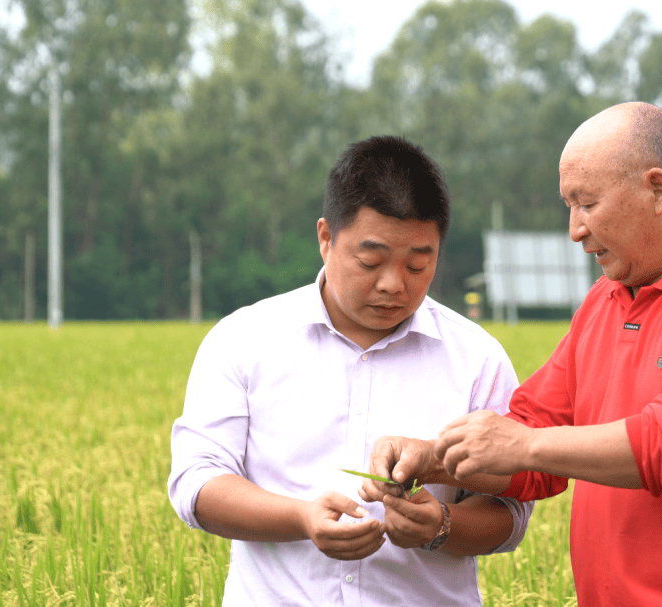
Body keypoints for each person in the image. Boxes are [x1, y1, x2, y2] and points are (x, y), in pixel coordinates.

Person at [362, 103, 662, 606]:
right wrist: (433, 460)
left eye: (586, 203)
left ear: (656, 190)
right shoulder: (605, 301)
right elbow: (535, 438)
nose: (574, 229)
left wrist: (523, 445)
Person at [168, 135, 532, 606]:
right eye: (371, 261)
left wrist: (442, 526)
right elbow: (196, 482)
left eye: (418, 265)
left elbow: (511, 510)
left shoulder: (477, 358)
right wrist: (301, 518)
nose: (393, 285)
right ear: (326, 238)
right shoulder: (243, 339)